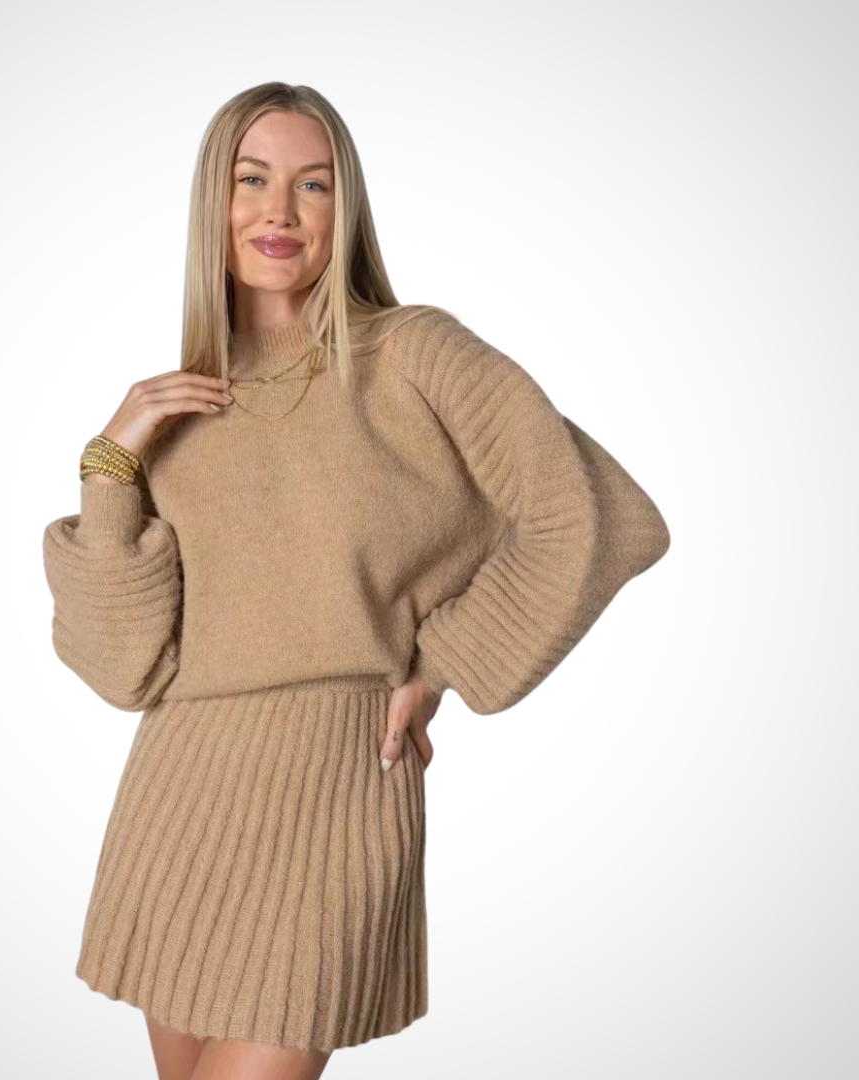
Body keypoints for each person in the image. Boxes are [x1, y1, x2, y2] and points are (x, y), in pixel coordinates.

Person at [42, 82, 669, 1080]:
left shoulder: (411, 353)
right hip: (181, 802)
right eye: (252, 180)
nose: (280, 211)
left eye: (313, 184)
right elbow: (124, 668)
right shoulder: (180, 409)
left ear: (347, 207)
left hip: (335, 792)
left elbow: (597, 517)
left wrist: (445, 663)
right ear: (214, 201)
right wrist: (110, 464)